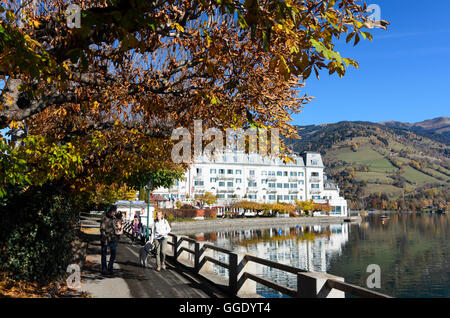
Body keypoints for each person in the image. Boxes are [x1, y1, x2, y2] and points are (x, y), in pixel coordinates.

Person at [100, 205, 119, 276]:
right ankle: (104, 269)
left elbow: (116, 228)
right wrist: (104, 238)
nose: (114, 213)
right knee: (104, 254)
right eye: (113, 211)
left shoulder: (114, 218)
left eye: (115, 211)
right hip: (105, 238)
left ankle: (110, 267)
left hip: (113, 238)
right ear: (110, 211)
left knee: (113, 254)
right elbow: (102, 229)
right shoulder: (104, 218)